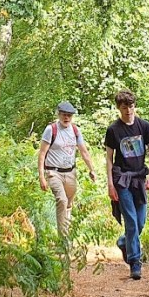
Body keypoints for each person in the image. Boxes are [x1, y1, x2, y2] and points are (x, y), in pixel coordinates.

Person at [104, 90, 149, 280]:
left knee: (140, 221)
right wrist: (110, 184)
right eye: (124, 107)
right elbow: (109, 159)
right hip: (122, 179)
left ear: (135, 106)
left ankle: (123, 241)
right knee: (131, 220)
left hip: (139, 178)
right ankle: (135, 262)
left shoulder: (144, 126)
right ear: (119, 108)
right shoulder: (113, 130)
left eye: (131, 106)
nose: (128, 111)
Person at [38, 102, 97, 249]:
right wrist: (41, 176)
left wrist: (92, 169)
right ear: (59, 114)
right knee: (62, 201)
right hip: (53, 172)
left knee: (69, 204)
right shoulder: (51, 130)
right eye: (64, 114)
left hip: (70, 172)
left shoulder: (75, 130)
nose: (67, 117)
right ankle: (63, 241)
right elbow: (42, 153)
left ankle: (67, 234)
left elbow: (83, 151)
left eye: (69, 115)